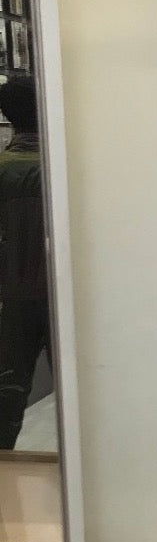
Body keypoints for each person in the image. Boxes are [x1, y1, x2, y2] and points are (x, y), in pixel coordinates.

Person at [0, 74, 49, 450]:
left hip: (12, 297)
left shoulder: (4, 168)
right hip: (64, 293)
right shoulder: (64, 169)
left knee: (9, 391)